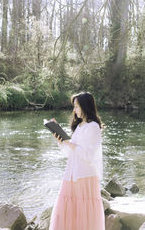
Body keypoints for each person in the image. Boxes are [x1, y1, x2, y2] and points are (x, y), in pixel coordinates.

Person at [49, 92, 105, 230]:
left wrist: (68, 142)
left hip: (85, 177)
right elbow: (71, 153)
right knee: (66, 214)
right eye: (74, 107)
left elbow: (87, 155)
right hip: (71, 175)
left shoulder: (93, 127)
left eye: (77, 107)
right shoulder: (79, 127)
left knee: (83, 217)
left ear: (85, 107)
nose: (74, 110)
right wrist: (61, 141)